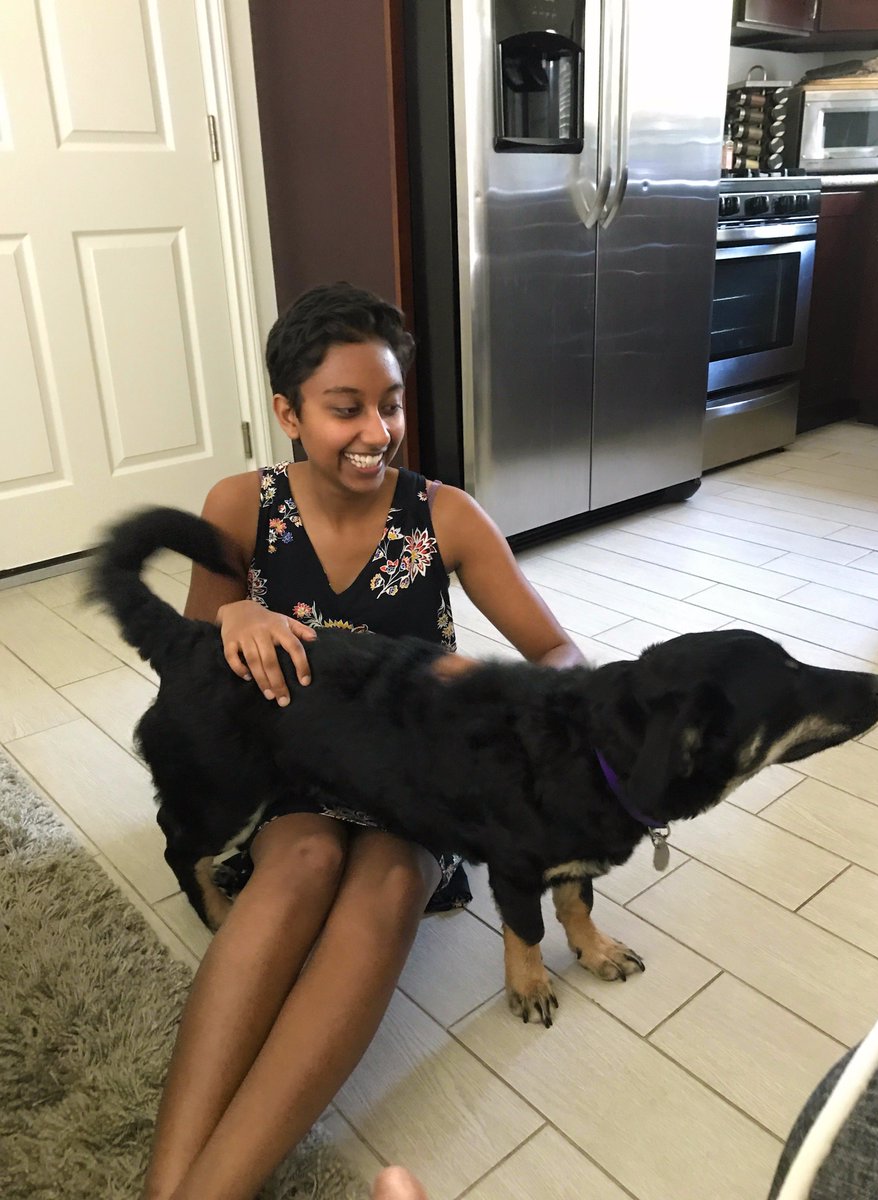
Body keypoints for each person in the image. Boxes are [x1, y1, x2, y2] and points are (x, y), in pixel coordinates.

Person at [141, 282, 584, 1200]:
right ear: (288, 413)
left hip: (414, 783)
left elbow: (560, 654)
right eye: (345, 409)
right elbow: (188, 666)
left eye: (391, 404)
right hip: (292, 769)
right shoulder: (241, 505)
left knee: (383, 885)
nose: (377, 432)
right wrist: (231, 617)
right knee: (300, 866)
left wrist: (493, 693)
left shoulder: (445, 515)